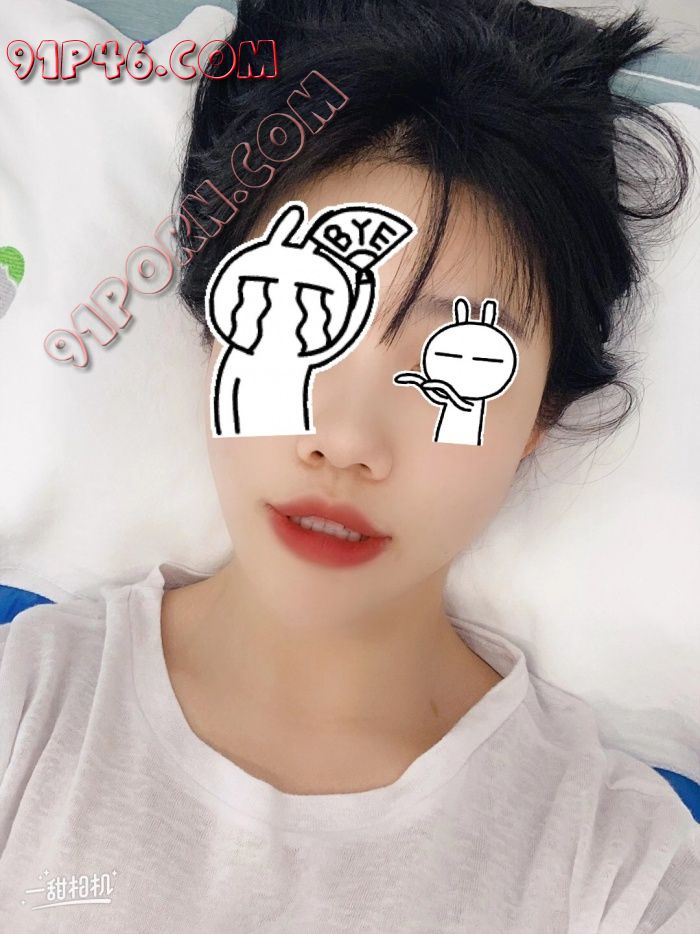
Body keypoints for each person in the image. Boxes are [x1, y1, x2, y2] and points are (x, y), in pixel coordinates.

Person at [0, 1, 698, 931]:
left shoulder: (621, 871)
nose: (347, 438)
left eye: (454, 361)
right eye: (296, 317)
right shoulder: (24, 709)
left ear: (539, 418)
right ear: (213, 332)